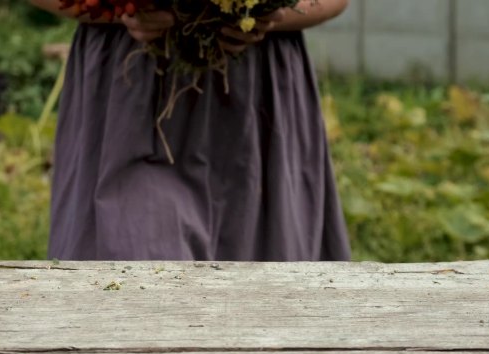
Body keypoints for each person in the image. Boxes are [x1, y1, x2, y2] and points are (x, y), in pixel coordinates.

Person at [29, 0, 352, 261]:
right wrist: (120, 7)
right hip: (131, 93)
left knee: (261, 292)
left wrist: (267, 13)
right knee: (133, 277)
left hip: (255, 96)